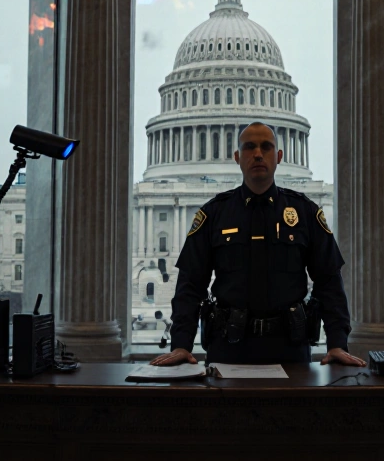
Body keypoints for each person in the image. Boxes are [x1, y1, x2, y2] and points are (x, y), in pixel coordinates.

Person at [151, 122, 365, 367]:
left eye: (266, 147)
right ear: (237, 157)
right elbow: (190, 285)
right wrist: (181, 344)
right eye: (249, 147)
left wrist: (337, 342)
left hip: (290, 348)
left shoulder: (304, 212)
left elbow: (329, 281)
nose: (258, 154)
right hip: (228, 348)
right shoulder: (214, 214)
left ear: (279, 156)